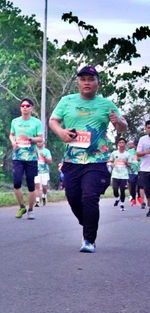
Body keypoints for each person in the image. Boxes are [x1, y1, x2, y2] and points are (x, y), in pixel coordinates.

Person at [49, 65, 128, 252]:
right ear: (78, 82)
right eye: (83, 79)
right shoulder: (67, 101)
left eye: (91, 79)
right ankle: (88, 222)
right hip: (72, 160)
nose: (87, 82)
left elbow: (123, 126)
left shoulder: (106, 104)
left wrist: (118, 122)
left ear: (97, 83)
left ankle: (89, 240)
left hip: (97, 160)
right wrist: (61, 132)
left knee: (90, 197)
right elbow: (53, 121)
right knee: (73, 197)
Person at [9, 98, 44, 220]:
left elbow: (40, 139)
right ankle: (21, 206)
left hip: (31, 157)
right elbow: (12, 135)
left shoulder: (36, 122)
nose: (25, 107)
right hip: (18, 156)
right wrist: (13, 142)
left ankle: (31, 210)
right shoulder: (15, 121)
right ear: (20, 108)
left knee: (31, 185)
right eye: (22, 105)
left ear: (31, 108)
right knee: (16, 182)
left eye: (27, 106)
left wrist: (30, 139)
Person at [108, 137, 133, 211]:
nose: (121, 144)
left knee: (122, 190)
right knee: (115, 189)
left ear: (125, 144)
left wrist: (126, 163)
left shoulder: (127, 154)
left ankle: (122, 204)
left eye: (123, 142)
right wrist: (112, 164)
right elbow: (110, 161)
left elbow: (130, 165)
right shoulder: (114, 153)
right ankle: (117, 198)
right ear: (118, 144)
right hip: (115, 174)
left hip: (124, 175)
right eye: (120, 142)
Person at [34, 140, 53, 207]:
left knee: (44, 186)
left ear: (43, 143)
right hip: (36, 171)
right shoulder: (33, 150)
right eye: (38, 142)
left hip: (44, 171)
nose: (39, 143)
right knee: (37, 186)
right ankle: (37, 201)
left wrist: (44, 157)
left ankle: (44, 196)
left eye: (40, 142)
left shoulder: (46, 151)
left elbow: (50, 161)